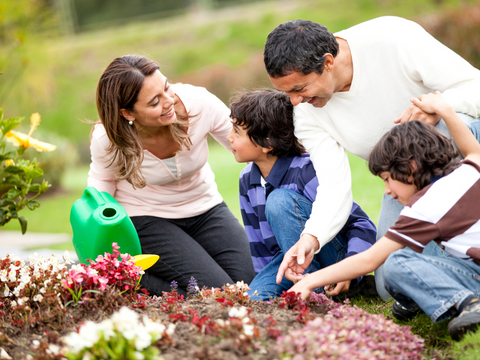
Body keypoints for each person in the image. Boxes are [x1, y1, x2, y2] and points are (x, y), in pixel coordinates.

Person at [263, 16, 480, 299]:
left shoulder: (393, 38)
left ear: (328, 62)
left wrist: (441, 106)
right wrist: (311, 238)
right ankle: (459, 275)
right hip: (404, 181)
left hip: (460, 156)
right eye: (286, 92)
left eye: (299, 89)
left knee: (453, 124)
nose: (294, 101)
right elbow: (333, 185)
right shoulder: (306, 113)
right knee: (390, 286)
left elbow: (474, 85)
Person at [282, 91, 480, 340]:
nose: (387, 191)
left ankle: (469, 304)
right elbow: (470, 146)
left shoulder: (426, 206)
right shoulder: (470, 167)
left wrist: (310, 281)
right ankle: (418, 298)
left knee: (397, 263)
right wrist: (445, 110)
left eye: (387, 180)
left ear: (411, 168)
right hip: (472, 265)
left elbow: (369, 261)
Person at [87, 55, 255, 296]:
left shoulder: (199, 104)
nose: (169, 101)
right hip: (147, 217)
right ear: (127, 113)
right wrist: (105, 231)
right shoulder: (108, 138)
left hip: (206, 209)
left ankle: (153, 281)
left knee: (249, 286)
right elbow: (101, 183)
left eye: (167, 88)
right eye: (155, 102)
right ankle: (129, 279)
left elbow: (244, 143)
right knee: (218, 293)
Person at [227, 89, 377, 301]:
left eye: (236, 131)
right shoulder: (247, 180)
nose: (228, 137)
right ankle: (307, 292)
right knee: (253, 300)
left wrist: (350, 268)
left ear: (267, 143)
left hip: (333, 260)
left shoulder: (306, 171)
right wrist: (263, 279)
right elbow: (259, 245)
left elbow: (362, 224)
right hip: (287, 264)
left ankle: (316, 296)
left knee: (279, 201)